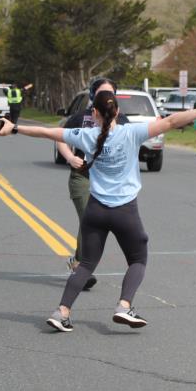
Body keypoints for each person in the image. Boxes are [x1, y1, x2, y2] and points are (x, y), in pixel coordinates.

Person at [0, 91, 196, 332]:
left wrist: (14, 128)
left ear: (94, 113)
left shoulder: (85, 135)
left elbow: (47, 132)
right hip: (125, 211)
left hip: (95, 210)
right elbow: (172, 121)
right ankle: (124, 306)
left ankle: (62, 312)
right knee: (138, 259)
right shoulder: (132, 132)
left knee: (85, 264)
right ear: (118, 112)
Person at [56, 77, 128, 291]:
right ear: (92, 96)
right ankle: (81, 267)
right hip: (82, 177)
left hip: (107, 181)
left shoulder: (122, 120)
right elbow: (60, 137)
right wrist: (70, 157)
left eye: (110, 93)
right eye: (101, 93)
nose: (106, 97)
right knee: (87, 218)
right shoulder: (80, 117)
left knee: (96, 225)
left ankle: (78, 261)